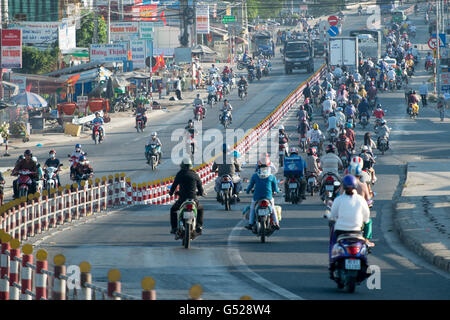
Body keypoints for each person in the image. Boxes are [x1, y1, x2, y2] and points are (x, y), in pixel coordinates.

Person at [328, 175, 372, 277]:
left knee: (333, 243)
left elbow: (333, 215)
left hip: (340, 231)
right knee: (363, 245)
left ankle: (332, 263)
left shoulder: (339, 199)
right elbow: (366, 218)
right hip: (356, 231)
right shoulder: (361, 200)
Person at [169, 157, 205, 234]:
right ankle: (199, 226)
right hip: (193, 199)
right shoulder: (195, 175)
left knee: (173, 209)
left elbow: (174, 185)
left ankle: (174, 228)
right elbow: (200, 188)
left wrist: (171, 193)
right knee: (200, 209)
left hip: (182, 199)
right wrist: (201, 193)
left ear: (182, 166)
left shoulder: (180, 174)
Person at [245, 163, 280, 230]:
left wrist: (247, 191)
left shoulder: (255, 176)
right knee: (273, 209)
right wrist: (277, 191)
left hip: (257, 197)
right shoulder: (272, 177)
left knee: (252, 208)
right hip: (268, 197)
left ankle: (250, 224)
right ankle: (276, 223)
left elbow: (250, 186)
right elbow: (275, 188)